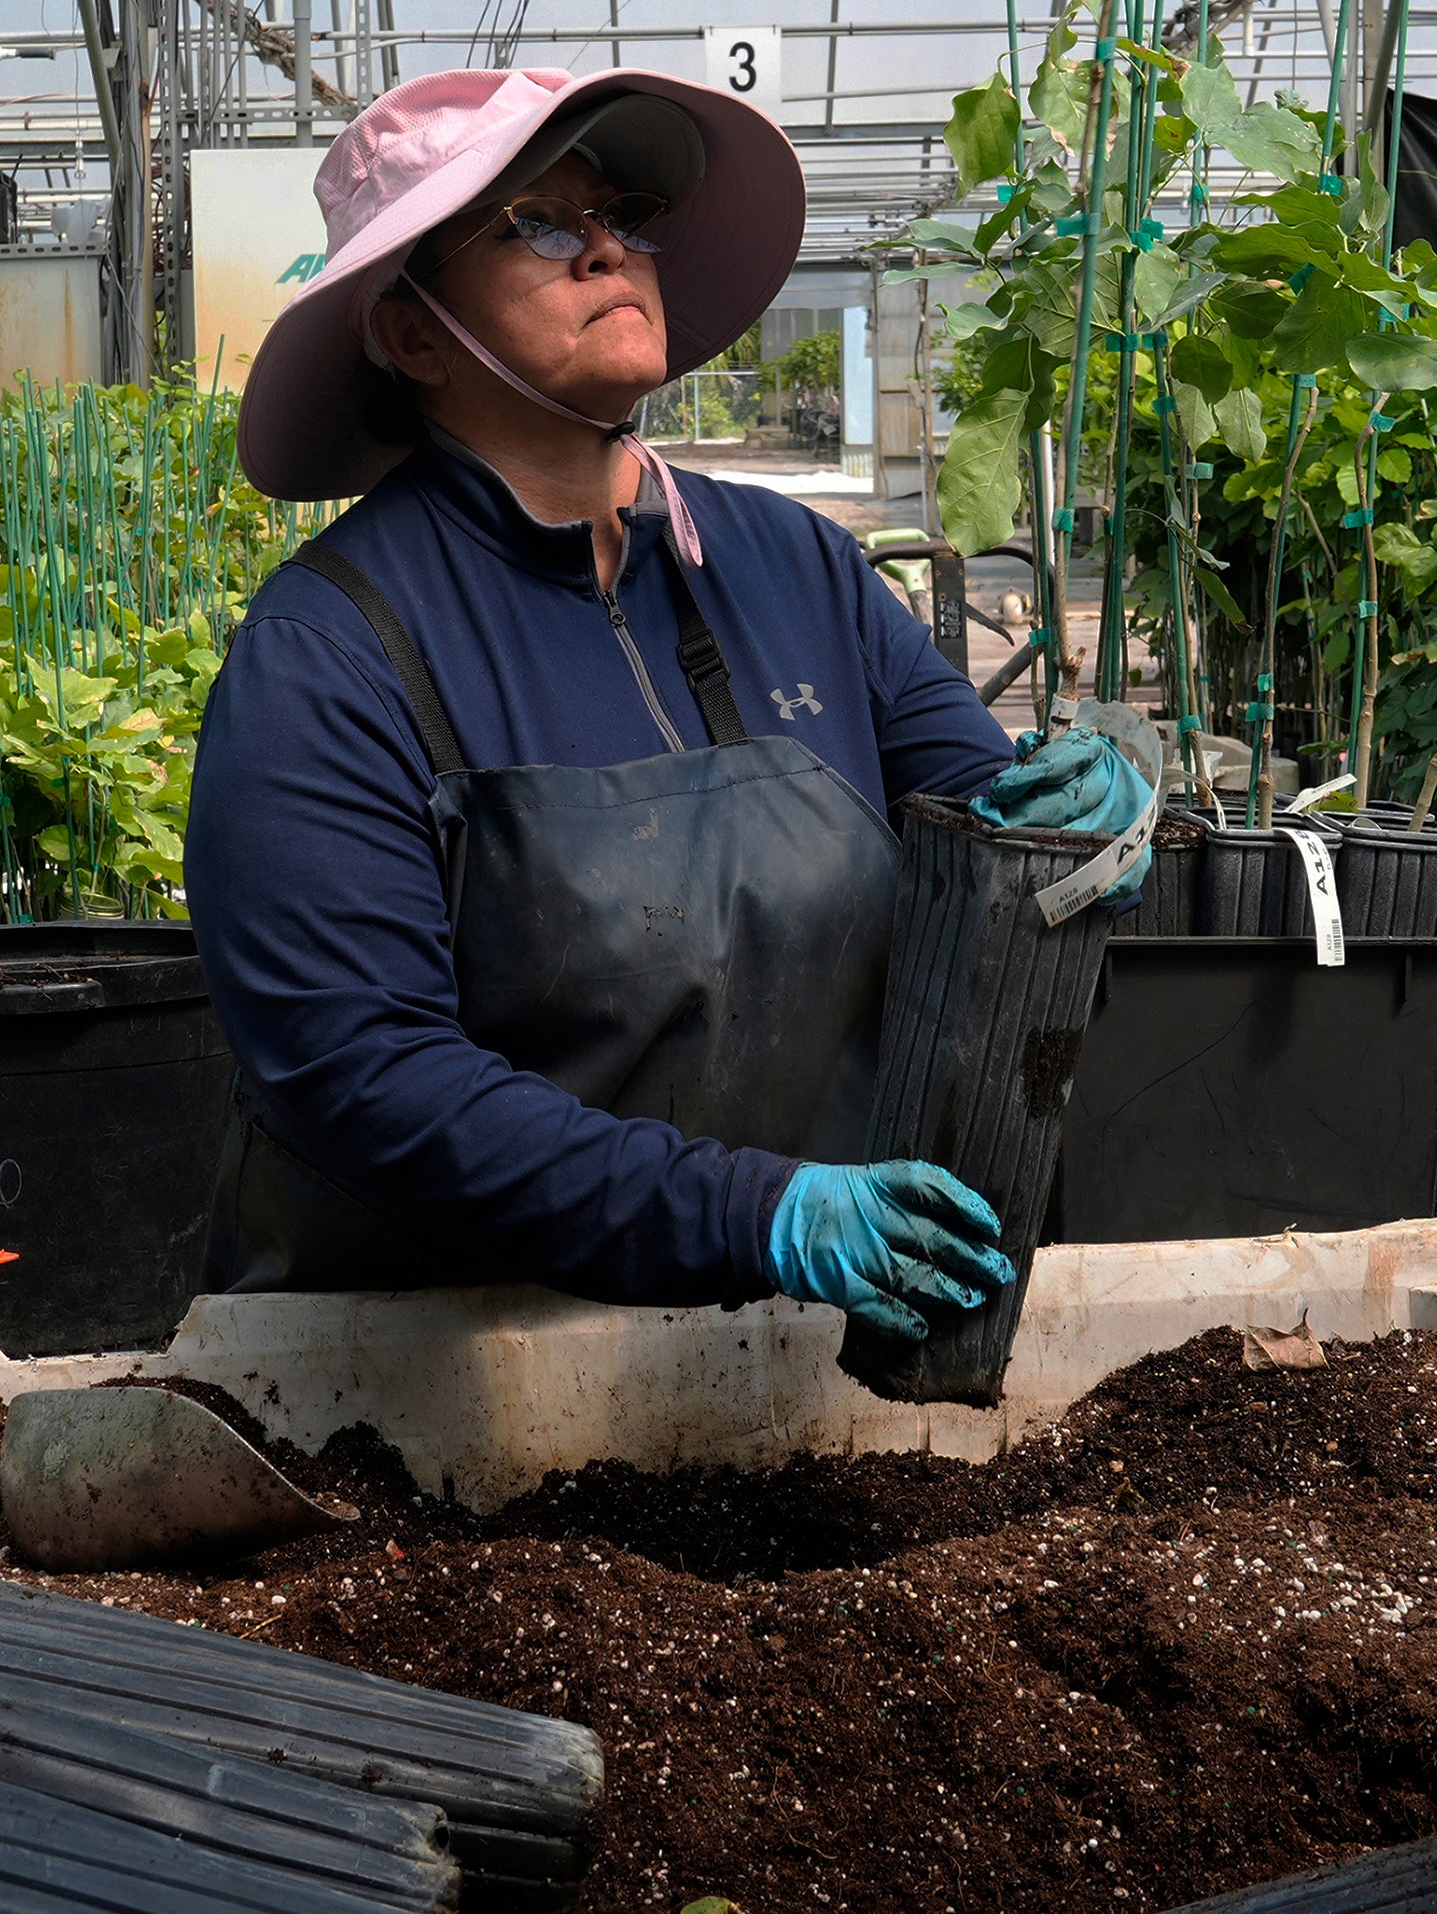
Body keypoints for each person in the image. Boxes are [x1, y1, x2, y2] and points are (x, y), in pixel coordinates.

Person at [186, 66, 1150, 1344]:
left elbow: (994, 835)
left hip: (785, 1354)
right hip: (425, 1388)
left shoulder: (796, 568)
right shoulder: (329, 655)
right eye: (536, 221)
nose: (604, 250)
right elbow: (370, 1079)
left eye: (622, 213)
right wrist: (757, 1215)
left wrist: (1092, 810)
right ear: (413, 332)